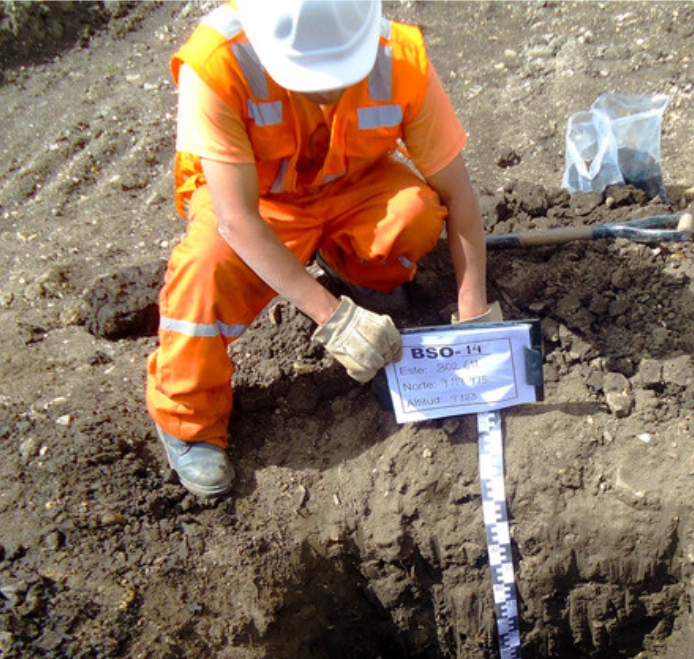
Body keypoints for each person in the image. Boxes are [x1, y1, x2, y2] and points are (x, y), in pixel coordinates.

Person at [146, 0, 499, 499]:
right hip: (259, 202)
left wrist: (473, 313)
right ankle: (187, 419)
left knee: (414, 216)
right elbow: (236, 219)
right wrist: (332, 316)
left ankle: (352, 264)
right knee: (206, 270)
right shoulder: (217, 60)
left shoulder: (399, 58)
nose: (328, 89)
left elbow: (458, 193)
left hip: (351, 186)